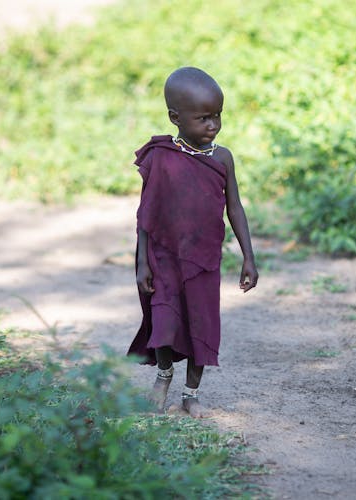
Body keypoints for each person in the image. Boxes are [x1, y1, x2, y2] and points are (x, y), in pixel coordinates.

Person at [127, 67, 258, 418]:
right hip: (164, 257)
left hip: (203, 260)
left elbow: (235, 207)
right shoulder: (160, 157)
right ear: (175, 117)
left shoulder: (222, 158)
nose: (212, 125)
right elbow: (146, 215)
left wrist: (249, 256)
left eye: (217, 116)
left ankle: (191, 394)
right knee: (165, 321)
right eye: (203, 118)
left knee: (201, 324)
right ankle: (164, 374)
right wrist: (142, 263)